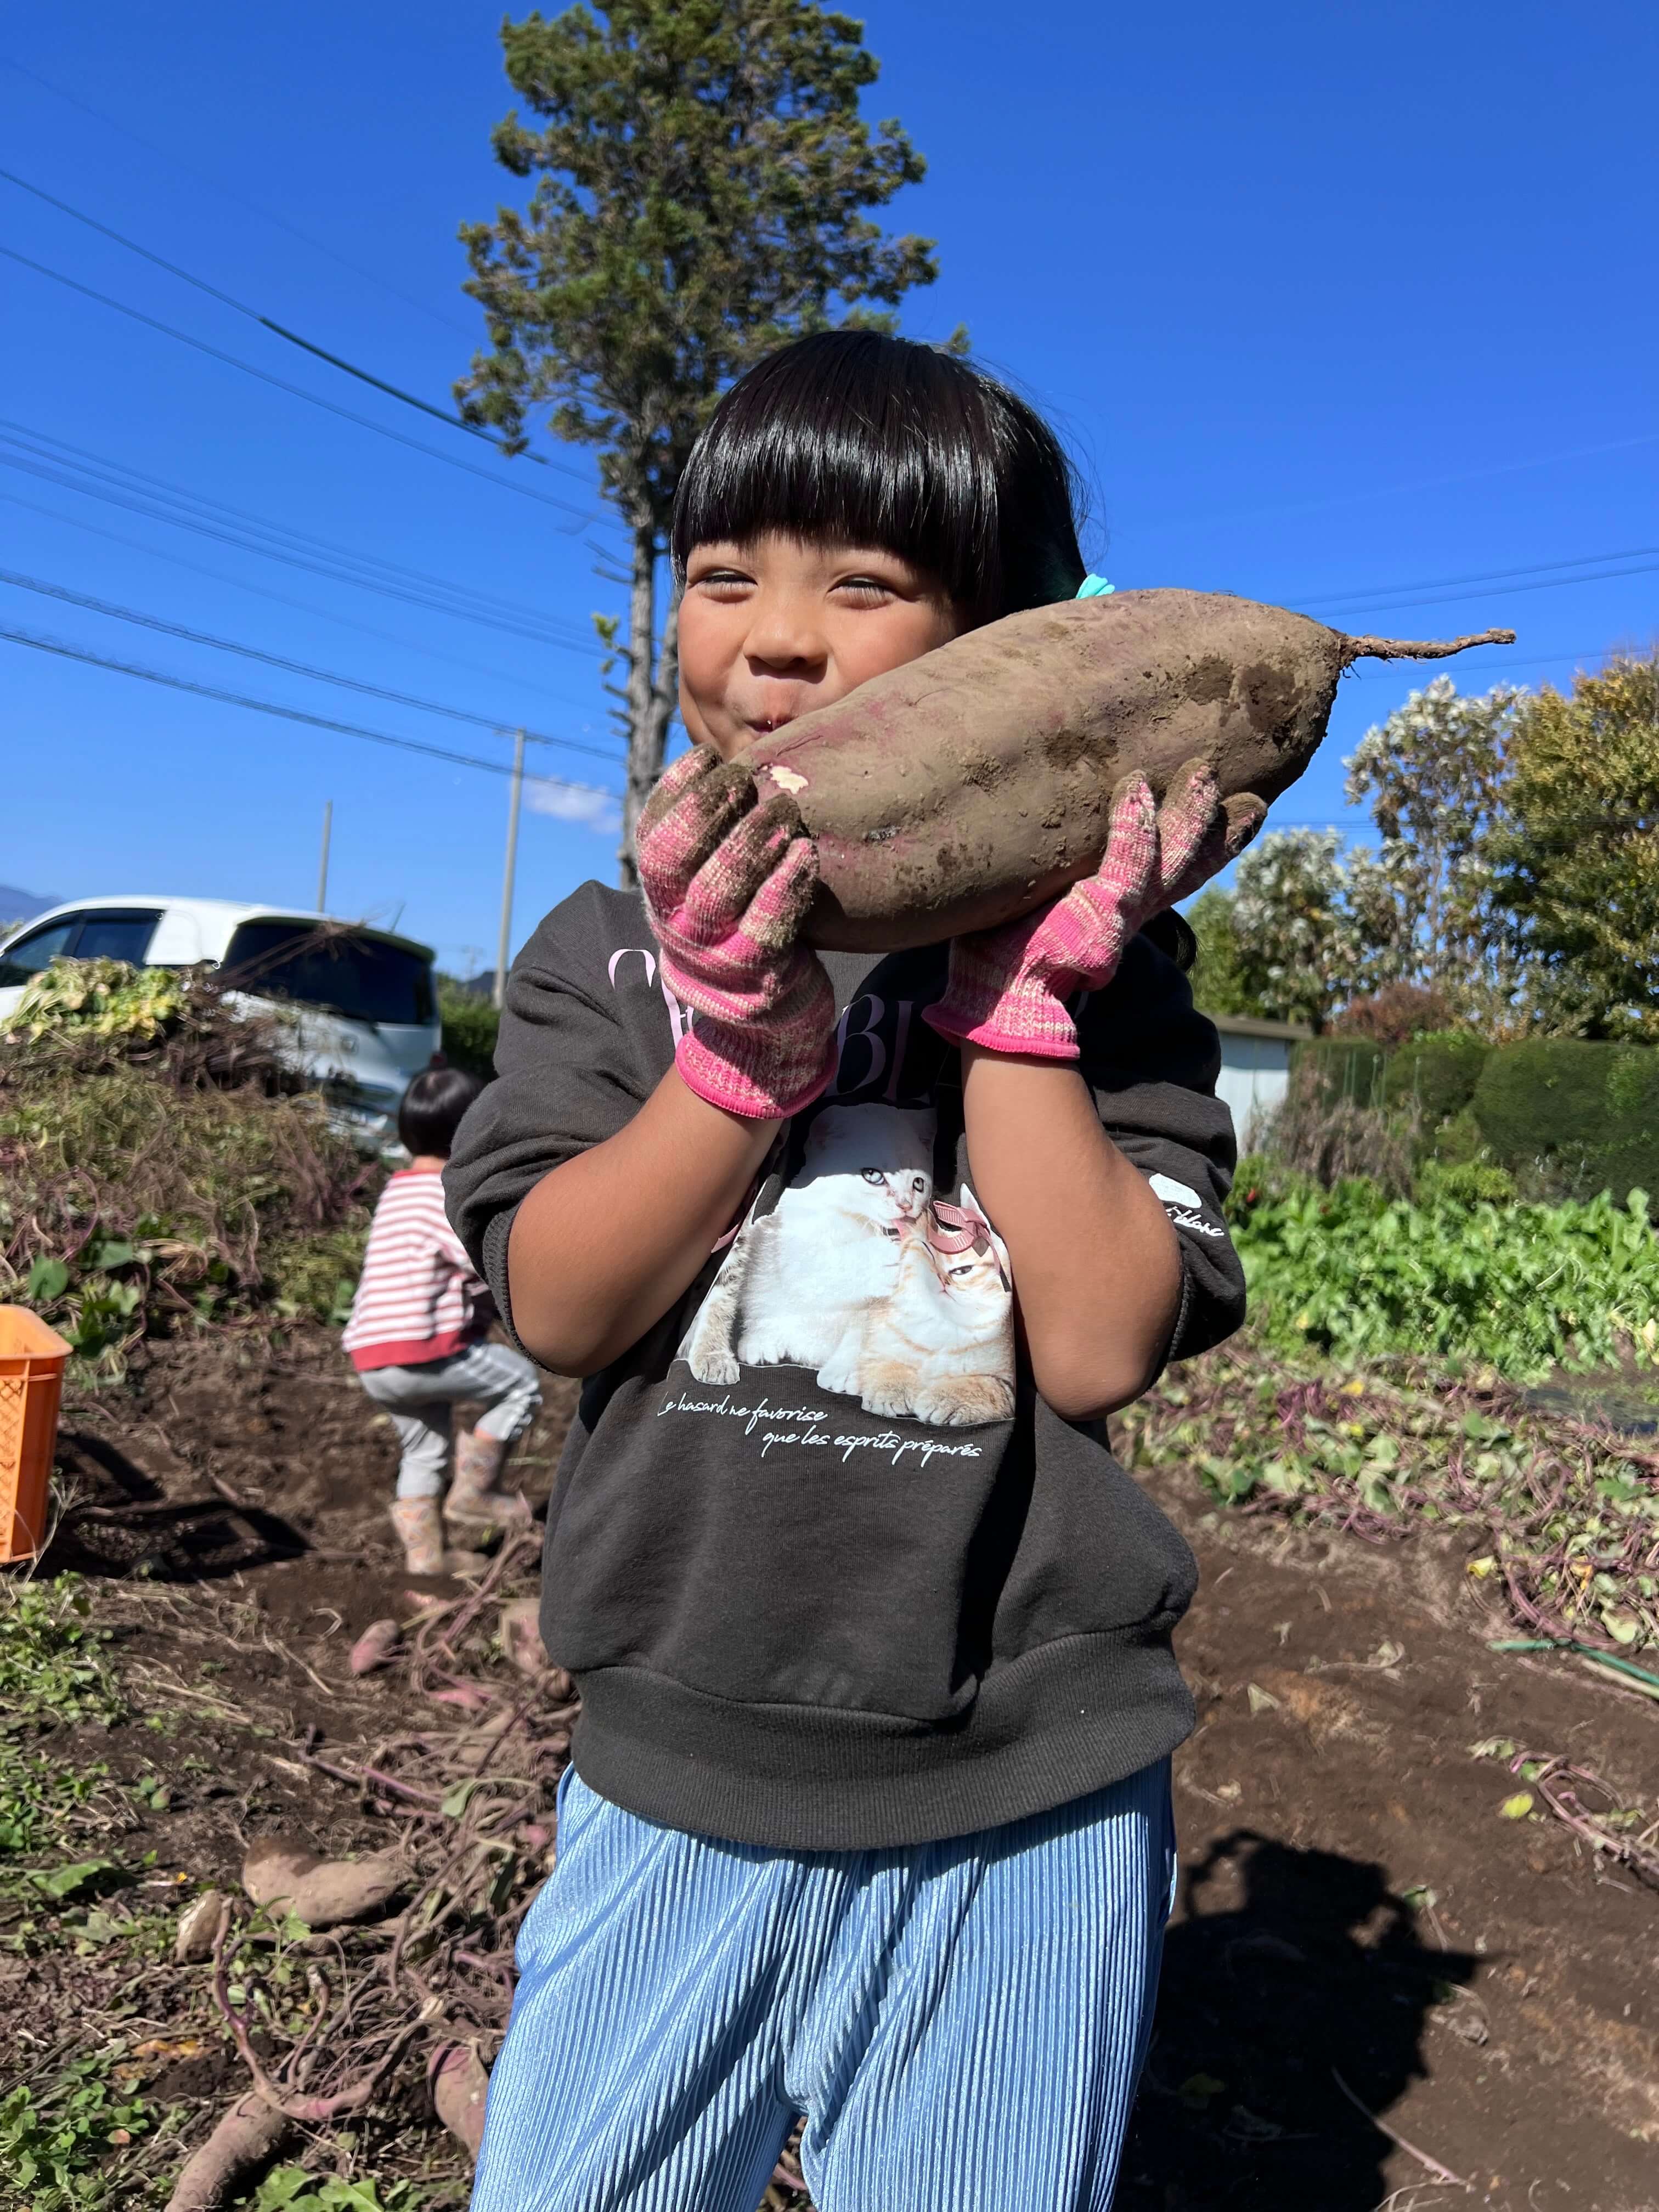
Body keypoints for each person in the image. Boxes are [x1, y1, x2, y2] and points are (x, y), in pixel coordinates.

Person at [445, 331, 1260, 2212]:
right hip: (676, 1758)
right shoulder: (610, 948)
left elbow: (1096, 1343)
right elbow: (559, 1305)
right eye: (724, 575)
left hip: (1025, 1782)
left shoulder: (1111, 970)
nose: (773, 638)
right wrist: (733, 1069)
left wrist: (1029, 1023)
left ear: (1014, 658)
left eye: (863, 585)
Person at [344, 1059, 540, 1576]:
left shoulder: (396, 1191)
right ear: (474, 1131)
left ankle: (427, 1561)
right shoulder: (442, 1195)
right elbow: (477, 1257)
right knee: (520, 1386)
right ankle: (475, 1493)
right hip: (424, 1346)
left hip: (373, 1358)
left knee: (423, 1450)